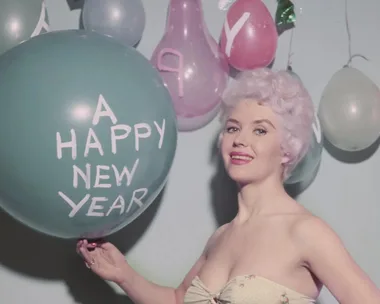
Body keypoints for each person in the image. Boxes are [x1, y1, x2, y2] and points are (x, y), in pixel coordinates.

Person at [77, 68, 380, 304]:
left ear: (287, 148)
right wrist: (124, 275)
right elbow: (178, 300)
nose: (240, 140)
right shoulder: (221, 237)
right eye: (233, 127)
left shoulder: (305, 231)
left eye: (260, 130)